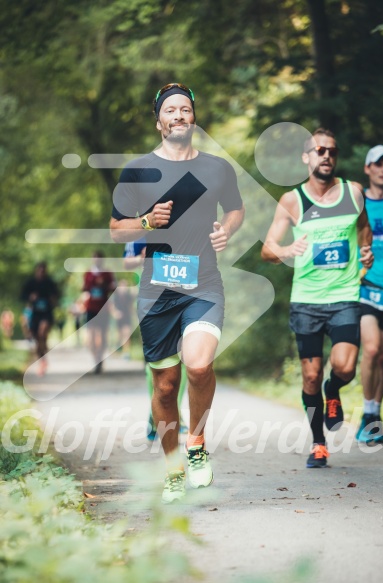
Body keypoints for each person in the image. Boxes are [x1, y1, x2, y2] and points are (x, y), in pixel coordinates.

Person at [110, 82, 244, 502]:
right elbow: (116, 231)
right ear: (159, 122)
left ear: (194, 118)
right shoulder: (137, 170)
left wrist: (228, 229)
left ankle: (197, 443)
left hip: (203, 283)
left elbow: (235, 209)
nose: (180, 115)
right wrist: (147, 222)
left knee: (199, 365)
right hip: (156, 290)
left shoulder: (217, 169)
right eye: (171, 110)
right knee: (166, 387)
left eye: (185, 108)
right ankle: (172, 471)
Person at [261, 128, 373, 468]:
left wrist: (365, 253)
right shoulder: (293, 200)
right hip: (307, 300)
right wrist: (285, 249)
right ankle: (319, 443)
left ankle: (334, 389)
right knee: (309, 376)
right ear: (306, 157)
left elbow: (364, 227)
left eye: (332, 151)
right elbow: (267, 249)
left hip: (345, 296)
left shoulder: (353, 192)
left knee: (345, 367)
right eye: (320, 150)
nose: (327, 155)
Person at [123, 239, 188, 441]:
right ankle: (155, 414)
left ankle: (174, 412)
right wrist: (143, 255)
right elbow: (127, 262)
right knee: (157, 361)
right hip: (153, 297)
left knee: (185, 357)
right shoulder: (140, 226)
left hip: (185, 293)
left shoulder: (185, 217)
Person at [356, 145, 383, 443]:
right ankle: (367, 412)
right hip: (366, 286)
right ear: (368, 169)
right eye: (378, 164)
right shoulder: (358, 202)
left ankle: (374, 413)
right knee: (372, 348)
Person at [20, 261, 60, 375]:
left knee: (42, 333)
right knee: (38, 340)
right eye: (40, 271)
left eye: (44, 271)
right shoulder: (30, 283)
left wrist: (53, 299)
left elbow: (57, 296)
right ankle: (42, 360)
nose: (42, 273)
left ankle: (43, 353)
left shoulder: (49, 283)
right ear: (36, 271)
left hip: (46, 314)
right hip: (35, 315)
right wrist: (30, 297)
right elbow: (22, 296)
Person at [82, 250, 116, 374]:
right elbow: (84, 288)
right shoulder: (88, 274)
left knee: (101, 336)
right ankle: (95, 358)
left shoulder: (107, 274)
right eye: (95, 257)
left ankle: (100, 359)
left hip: (103, 309)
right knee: (91, 338)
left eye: (99, 258)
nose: (97, 260)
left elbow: (113, 287)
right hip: (90, 308)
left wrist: (107, 286)